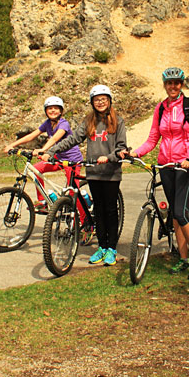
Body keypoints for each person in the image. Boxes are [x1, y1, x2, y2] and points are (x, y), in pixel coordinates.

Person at [125, 67, 189, 280]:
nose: (173, 87)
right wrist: (135, 152)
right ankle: (183, 259)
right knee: (174, 213)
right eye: (169, 83)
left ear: (182, 84)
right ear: (164, 84)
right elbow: (153, 138)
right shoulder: (161, 108)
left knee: (182, 213)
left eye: (177, 83)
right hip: (167, 166)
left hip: (186, 167)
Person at [41, 84, 128, 266]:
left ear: (109, 100)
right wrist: (52, 150)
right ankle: (102, 247)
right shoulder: (89, 122)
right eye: (97, 100)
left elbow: (121, 147)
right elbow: (72, 139)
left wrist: (110, 157)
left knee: (110, 211)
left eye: (103, 99)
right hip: (93, 172)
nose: (100, 102)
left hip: (111, 173)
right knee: (98, 210)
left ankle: (112, 248)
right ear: (92, 103)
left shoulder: (118, 122)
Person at [4, 96, 83, 211]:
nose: (52, 111)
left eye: (56, 108)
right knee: (35, 170)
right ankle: (43, 201)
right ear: (46, 110)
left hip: (72, 160)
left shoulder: (63, 124)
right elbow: (31, 136)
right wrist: (12, 145)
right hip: (57, 158)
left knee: (73, 191)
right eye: (50, 108)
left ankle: (85, 220)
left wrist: (43, 149)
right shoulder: (47, 124)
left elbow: (55, 138)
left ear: (61, 111)